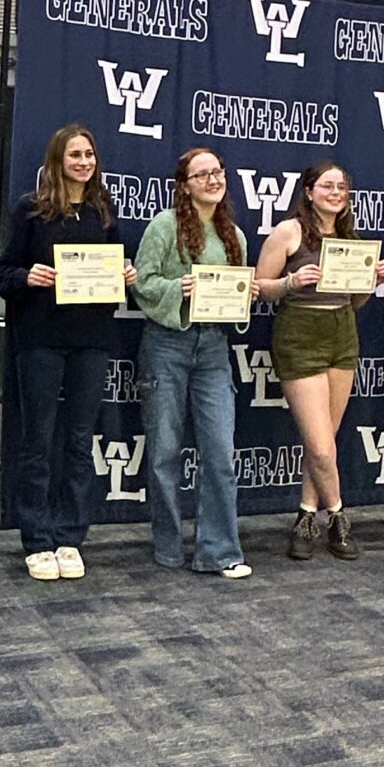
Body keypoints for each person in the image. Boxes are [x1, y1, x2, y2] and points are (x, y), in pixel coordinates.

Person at [0, 122, 134, 583]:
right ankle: (36, 538)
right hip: (39, 339)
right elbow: (2, 273)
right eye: (75, 155)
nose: (83, 162)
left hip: (92, 340)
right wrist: (27, 277)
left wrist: (126, 276)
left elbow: (118, 269)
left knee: (78, 442)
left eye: (89, 154)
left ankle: (71, 534)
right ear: (58, 160)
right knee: (37, 441)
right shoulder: (30, 210)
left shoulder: (103, 210)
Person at [256, 160, 384, 561]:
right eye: (328, 186)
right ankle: (338, 516)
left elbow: (355, 302)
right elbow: (260, 288)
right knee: (318, 447)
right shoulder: (289, 231)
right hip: (299, 333)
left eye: (342, 187)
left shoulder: (351, 237)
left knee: (327, 442)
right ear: (309, 191)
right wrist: (290, 282)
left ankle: (304, 516)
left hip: (342, 333)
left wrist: (373, 282)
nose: (336, 193)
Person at [131, 146, 253, 579]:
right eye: (201, 175)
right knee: (164, 450)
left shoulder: (233, 235)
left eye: (217, 172)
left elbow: (236, 303)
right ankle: (167, 546)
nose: (212, 180)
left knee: (219, 450)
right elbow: (142, 283)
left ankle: (219, 550)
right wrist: (176, 289)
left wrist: (244, 296)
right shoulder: (164, 226)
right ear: (184, 186)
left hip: (214, 348)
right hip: (168, 343)